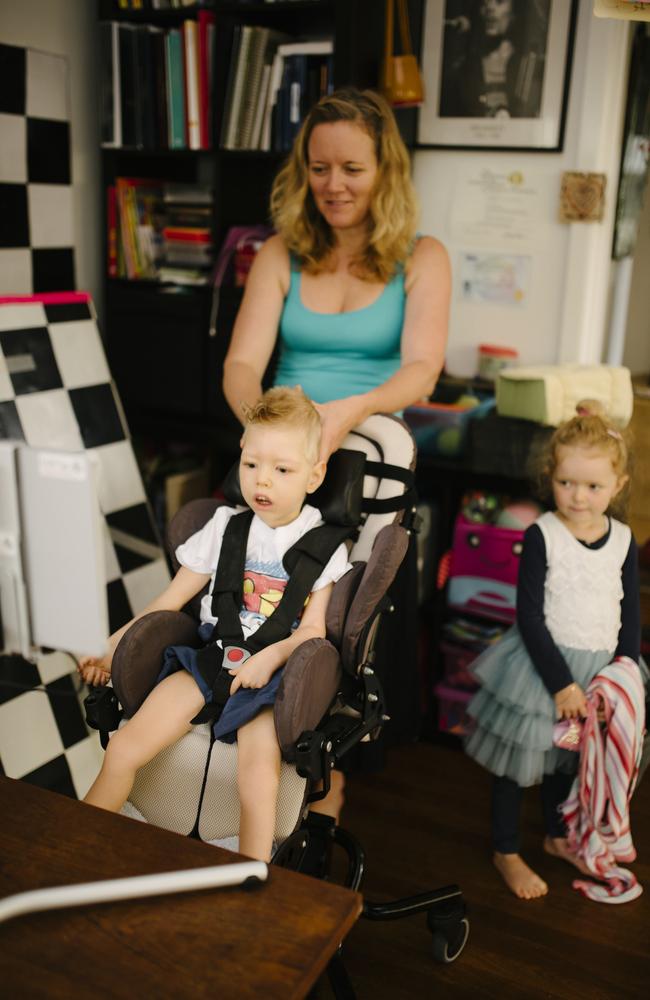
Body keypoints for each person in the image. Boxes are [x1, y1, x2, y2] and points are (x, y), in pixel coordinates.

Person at [223, 87, 450, 814]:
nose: (334, 186)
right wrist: (274, 434)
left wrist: (352, 410)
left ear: (385, 167)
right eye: (319, 168)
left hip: (369, 459)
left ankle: (326, 763)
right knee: (263, 601)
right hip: (285, 463)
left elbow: (421, 369)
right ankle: (241, 737)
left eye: (351, 168)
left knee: (343, 619)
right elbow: (239, 367)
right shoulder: (281, 253)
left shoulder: (423, 256)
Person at [78, 386, 351, 862]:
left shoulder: (323, 546)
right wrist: (110, 645)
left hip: (273, 678)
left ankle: (248, 882)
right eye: (251, 465)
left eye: (282, 470)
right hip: (210, 657)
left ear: (315, 474)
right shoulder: (225, 526)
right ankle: (72, 849)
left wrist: (270, 658)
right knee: (123, 749)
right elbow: (169, 601)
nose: (262, 481)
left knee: (256, 779)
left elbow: (312, 632)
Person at [464, 400, 641, 899]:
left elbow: (630, 614)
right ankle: (506, 849)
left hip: (599, 673)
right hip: (543, 668)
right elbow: (529, 615)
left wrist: (623, 674)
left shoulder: (624, 539)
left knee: (571, 760)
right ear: (551, 477)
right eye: (567, 483)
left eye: (593, 486)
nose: (578, 497)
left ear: (618, 486)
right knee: (518, 762)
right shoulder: (544, 534)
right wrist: (561, 684)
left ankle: (557, 835)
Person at [440, 0, 550, 119]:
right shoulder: (464, 67)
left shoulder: (533, 65)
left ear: (516, 10)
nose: (489, 8)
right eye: (484, 3)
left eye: (499, 1)